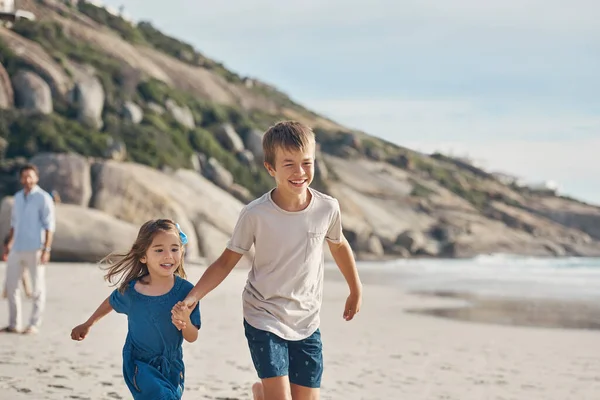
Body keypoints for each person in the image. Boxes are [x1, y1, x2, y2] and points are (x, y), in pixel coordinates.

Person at [171, 121, 363, 400]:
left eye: (306, 163)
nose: (299, 173)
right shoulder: (256, 214)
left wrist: (355, 288)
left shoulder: (327, 208)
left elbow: (339, 244)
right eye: (289, 164)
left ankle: (261, 394)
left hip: (307, 320)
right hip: (264, 315)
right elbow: (226, 262)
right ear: (271, 168)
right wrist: (192, 298)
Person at [70, 219, 201, 400]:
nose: (168, 255)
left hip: (172, 366)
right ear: (143, 256)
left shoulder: (187, 292)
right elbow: (111, 301)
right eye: (159, 250)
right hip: (139, 364)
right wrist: (88, 323)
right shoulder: (132, 291)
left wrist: (185, 321)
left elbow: (192, 337)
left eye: (174, 248)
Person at [2, 164, 55, 334]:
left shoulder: (43, 197)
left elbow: (49, 225)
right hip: (17, 247)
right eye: (24, 176)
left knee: (37, 287)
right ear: (20, 178)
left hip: (36, 248)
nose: (27, 180)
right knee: (11, 286)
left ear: (36, 178)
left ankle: (34, 324)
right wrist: (8, 245)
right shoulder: (17, 197)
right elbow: (14, 224)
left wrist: (47, 249)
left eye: (30, 176)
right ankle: (13, 323)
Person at [2, 234, 33, 299]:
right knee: (12, 275)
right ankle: (5, 292)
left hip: (21, 256)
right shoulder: (11, 237)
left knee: (23, 275)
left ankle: (28, 292)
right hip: (15, 256)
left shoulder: (21, 237)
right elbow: (6, 247)